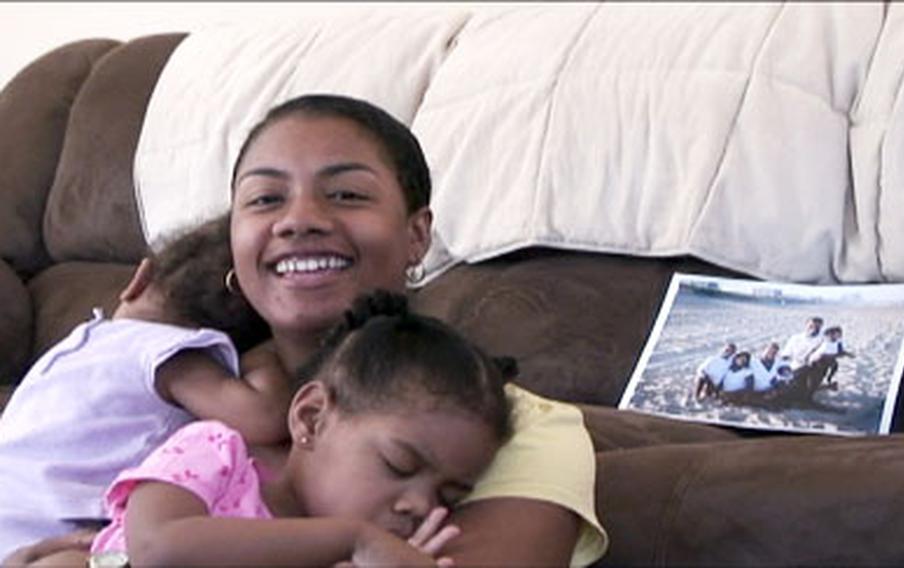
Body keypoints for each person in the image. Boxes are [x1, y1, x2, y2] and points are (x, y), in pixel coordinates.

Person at [6, 94, 606, 566]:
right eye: (265, 199)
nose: (299, 220)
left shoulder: (513, 426)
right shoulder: (171, 396)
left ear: (418, 234)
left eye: (346, 194)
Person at [65, 291, 513, 566]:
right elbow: (158, 550)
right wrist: (356, 540)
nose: (421, 506)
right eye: (399, 464)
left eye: (449, 498)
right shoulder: (215, 453)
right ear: (311, 417)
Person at [0, 215, 288, 559]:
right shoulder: (166, 355)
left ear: (138, 279)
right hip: (43, 536)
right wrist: (272, 349)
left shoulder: (78, 345)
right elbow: (262, 415)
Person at [808, 325, 854, 390]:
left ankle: (827, 380)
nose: (837, 336)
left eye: (839, 334)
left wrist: (847, 354)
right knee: (821, 371)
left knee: (834, 366)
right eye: (835, 334)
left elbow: (840, 351)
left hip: (828, 362)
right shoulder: (825, 344)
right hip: (817, 362)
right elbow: (822, 354)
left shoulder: (838, 343)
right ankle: (815, 384)